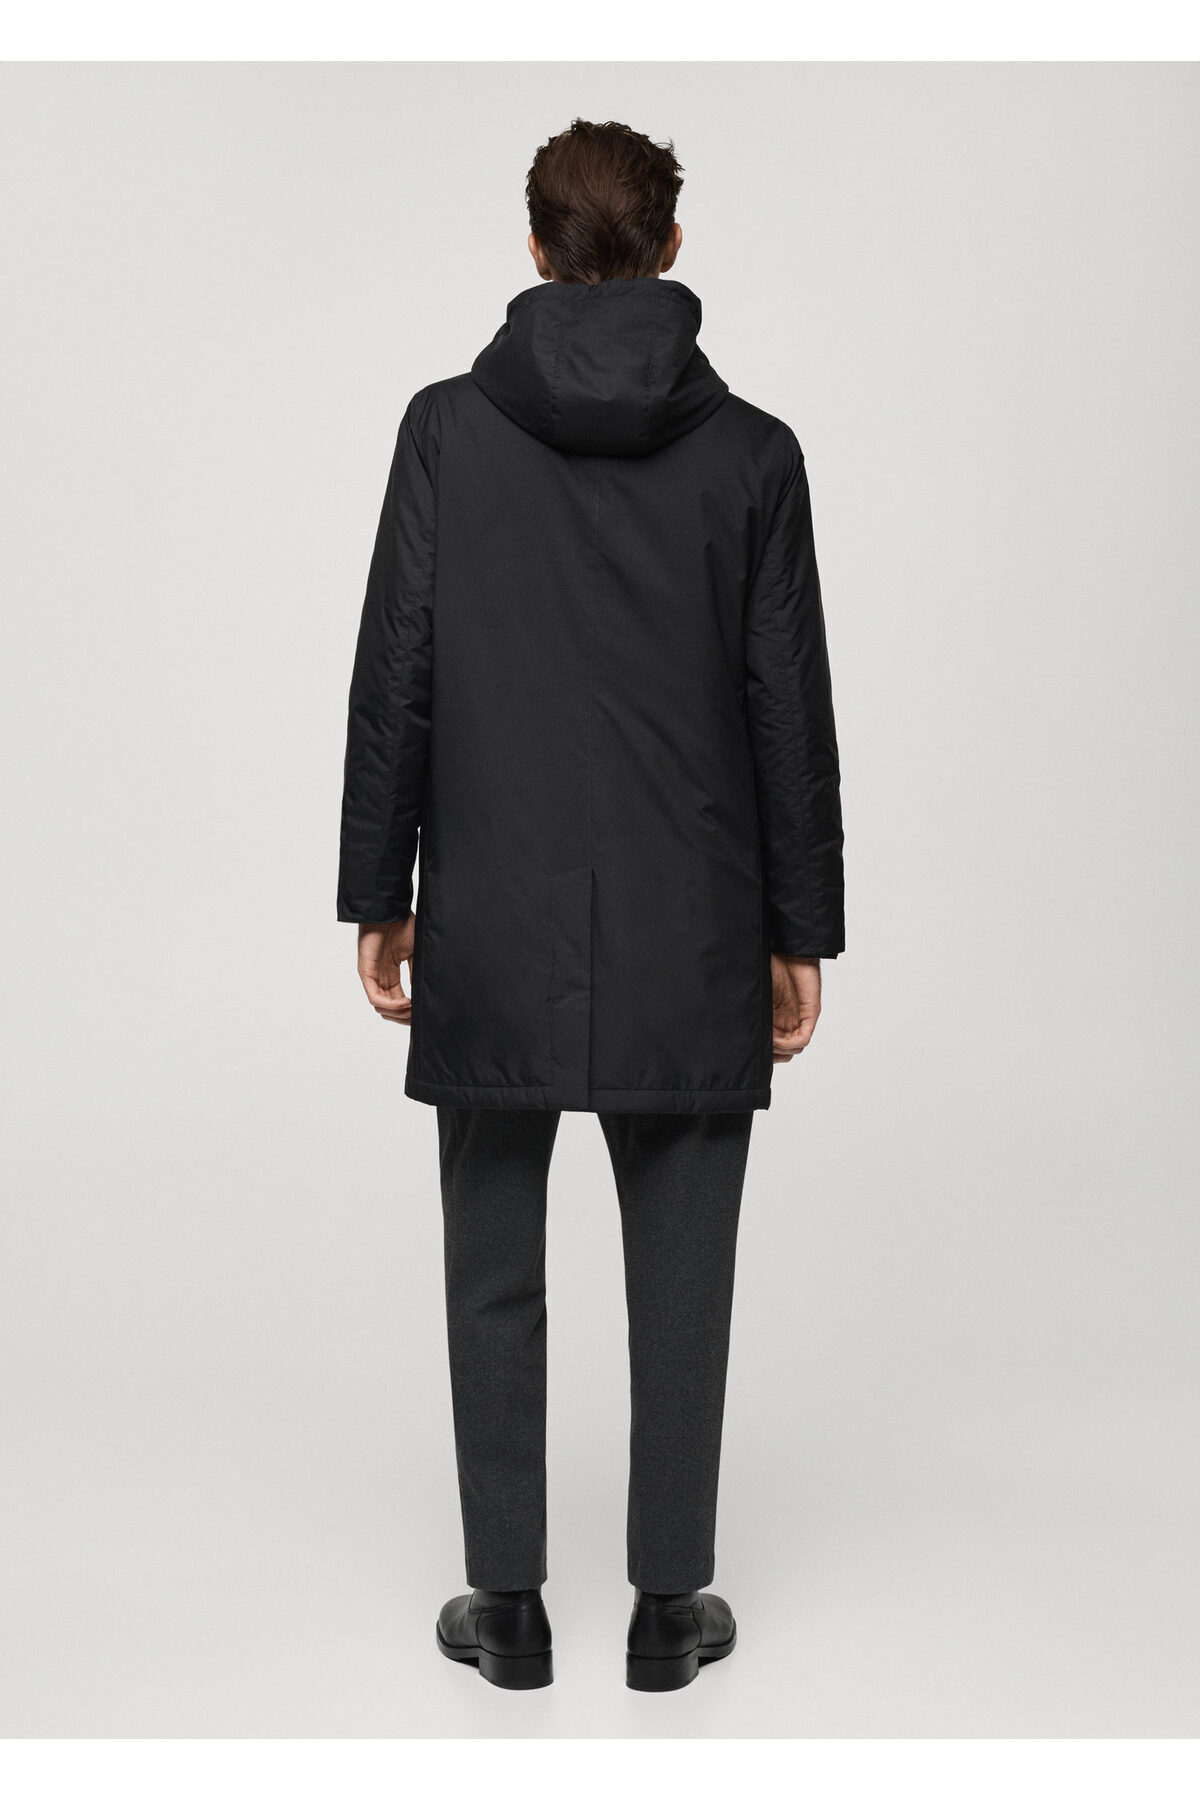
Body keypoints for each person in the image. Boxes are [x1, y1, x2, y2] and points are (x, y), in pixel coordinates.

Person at [337, 118, 845, 1694]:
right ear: (671, 249)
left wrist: (380, 887)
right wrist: (798, 928)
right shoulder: (754, 454)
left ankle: (507, 1612)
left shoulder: (445, 430)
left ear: (537, 249)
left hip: (492, 904)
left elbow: (398, 672)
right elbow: (787, 710)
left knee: (492, 1256)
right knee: (684, 1269)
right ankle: (668, 1612)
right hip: (694, 917)